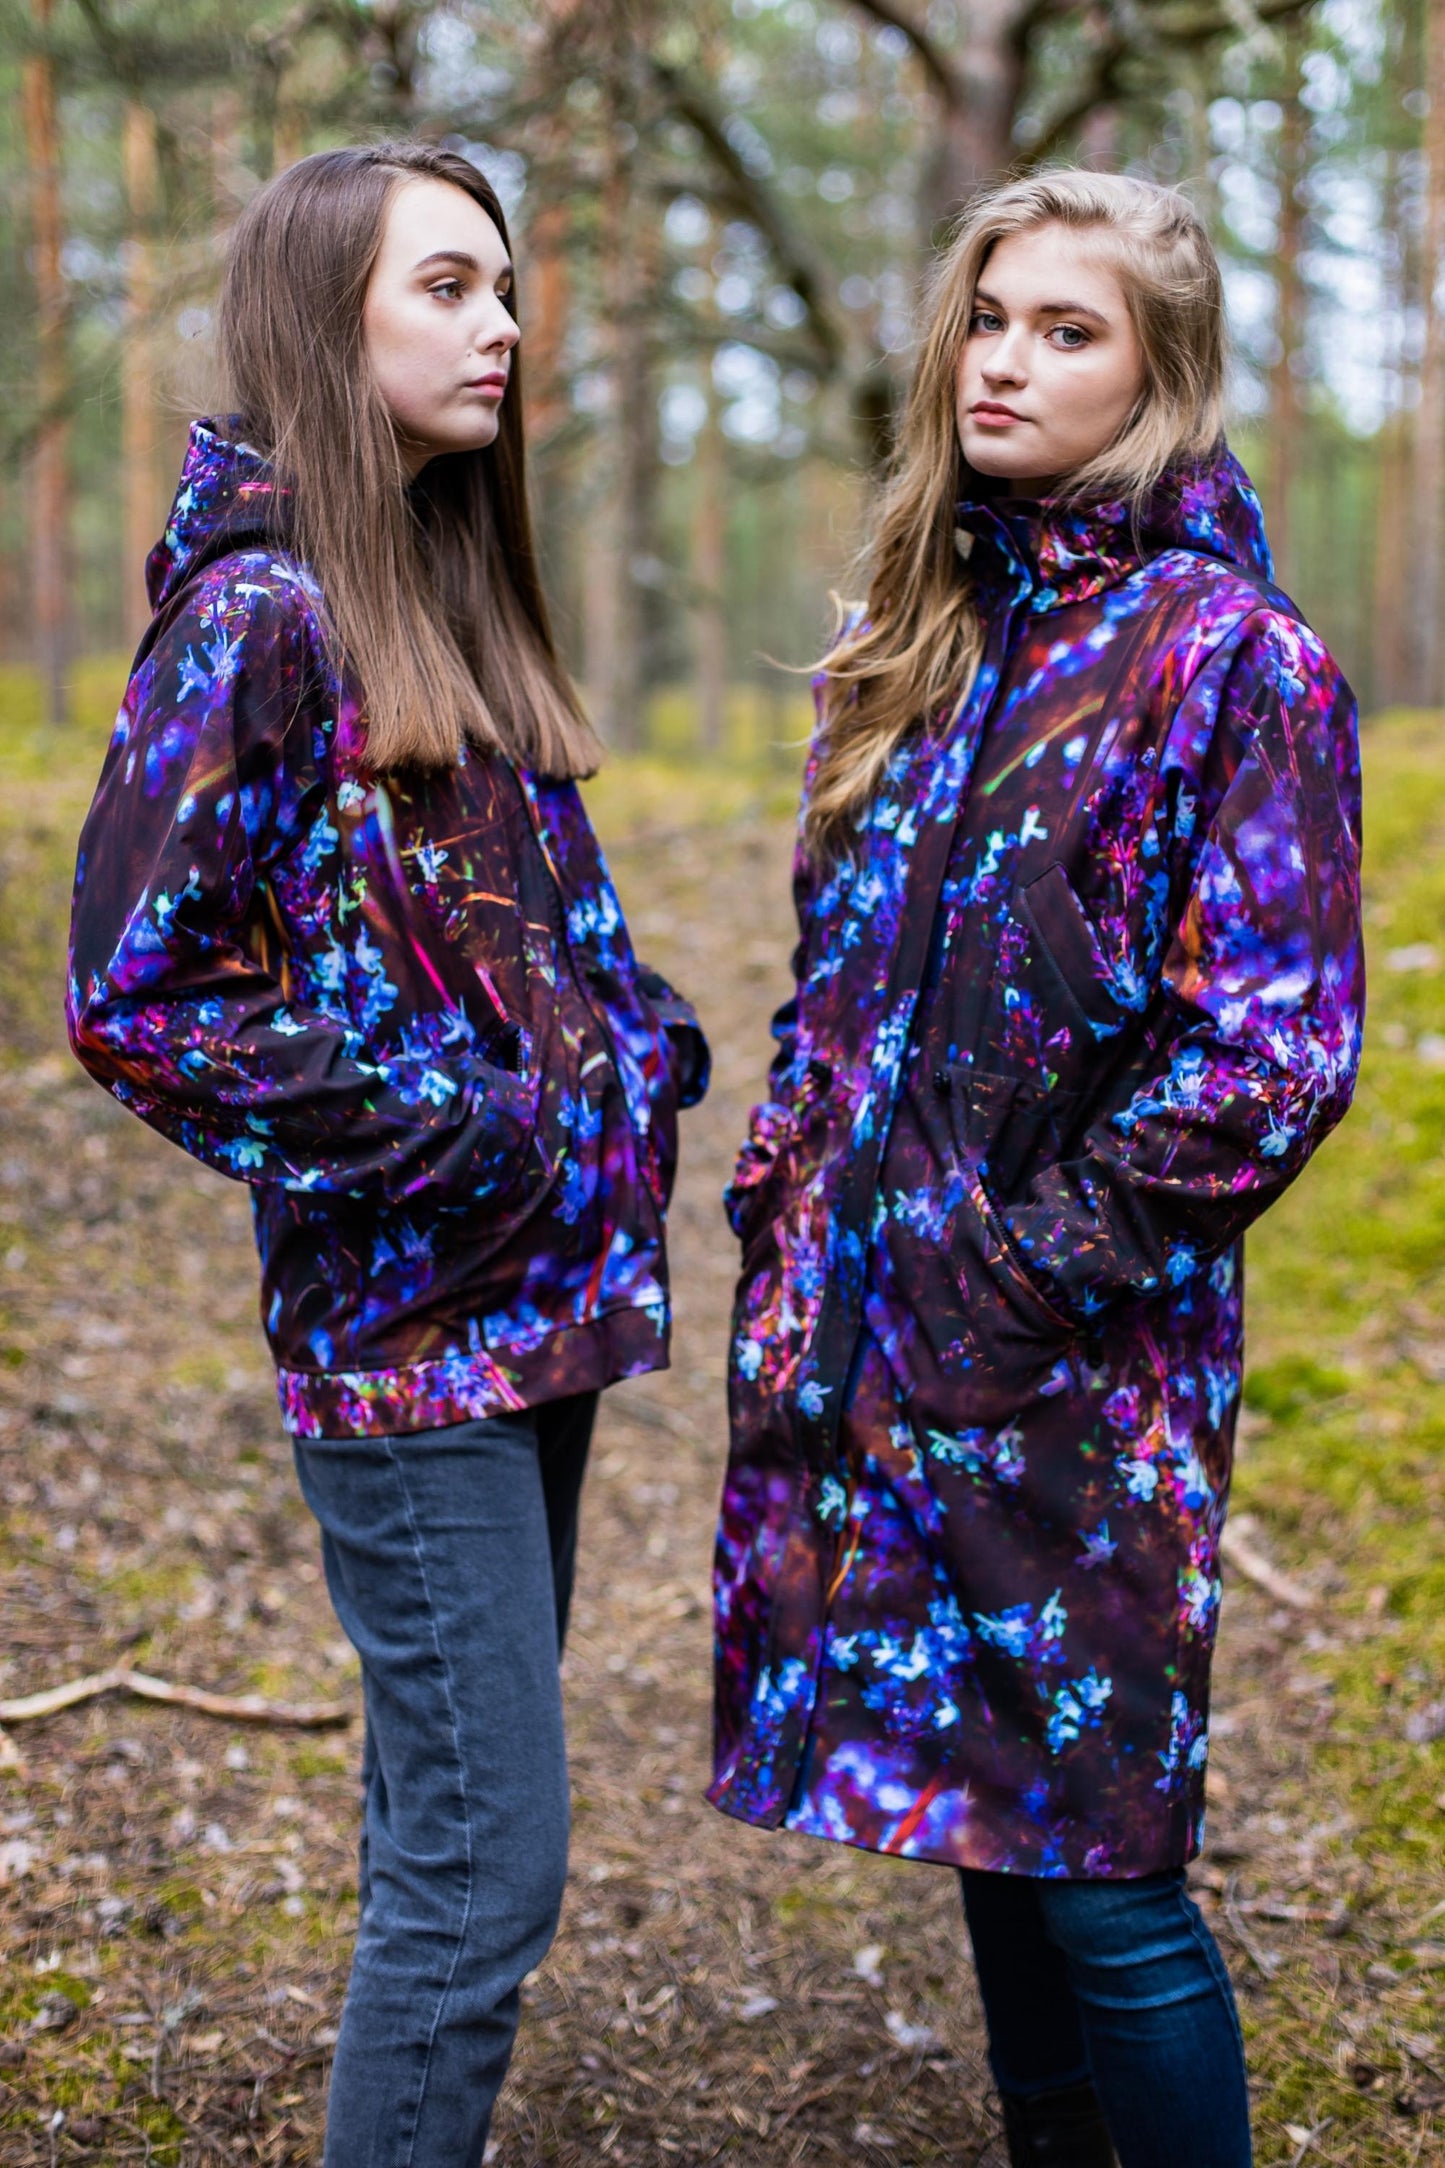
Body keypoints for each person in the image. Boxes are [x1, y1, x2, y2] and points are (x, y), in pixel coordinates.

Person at [712, 168, 1362, 2168]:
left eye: (1068, 330)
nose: (1004, 360)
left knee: (1105, 1871)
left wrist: (1024, 1272)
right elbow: (836, 984)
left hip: (1079, 1364)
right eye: (988, 317)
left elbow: (1272, 1051)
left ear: (1161, 378)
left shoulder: (1232, 660)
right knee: (977, 1821)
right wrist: (789, 1195)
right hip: (870, 1348)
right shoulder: (914, 635)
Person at [68, 142, 707, 2168]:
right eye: (446, 286)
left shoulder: (424, 585)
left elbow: (517, 924)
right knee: (488, 1873)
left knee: (445, 1825)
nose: (502, 323)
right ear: (320, 320)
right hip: (410, 1338)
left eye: (504, 285)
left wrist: (635, 1048)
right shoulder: (257, 618)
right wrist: (468, 1139)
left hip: (533, 1318)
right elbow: (138, 993)